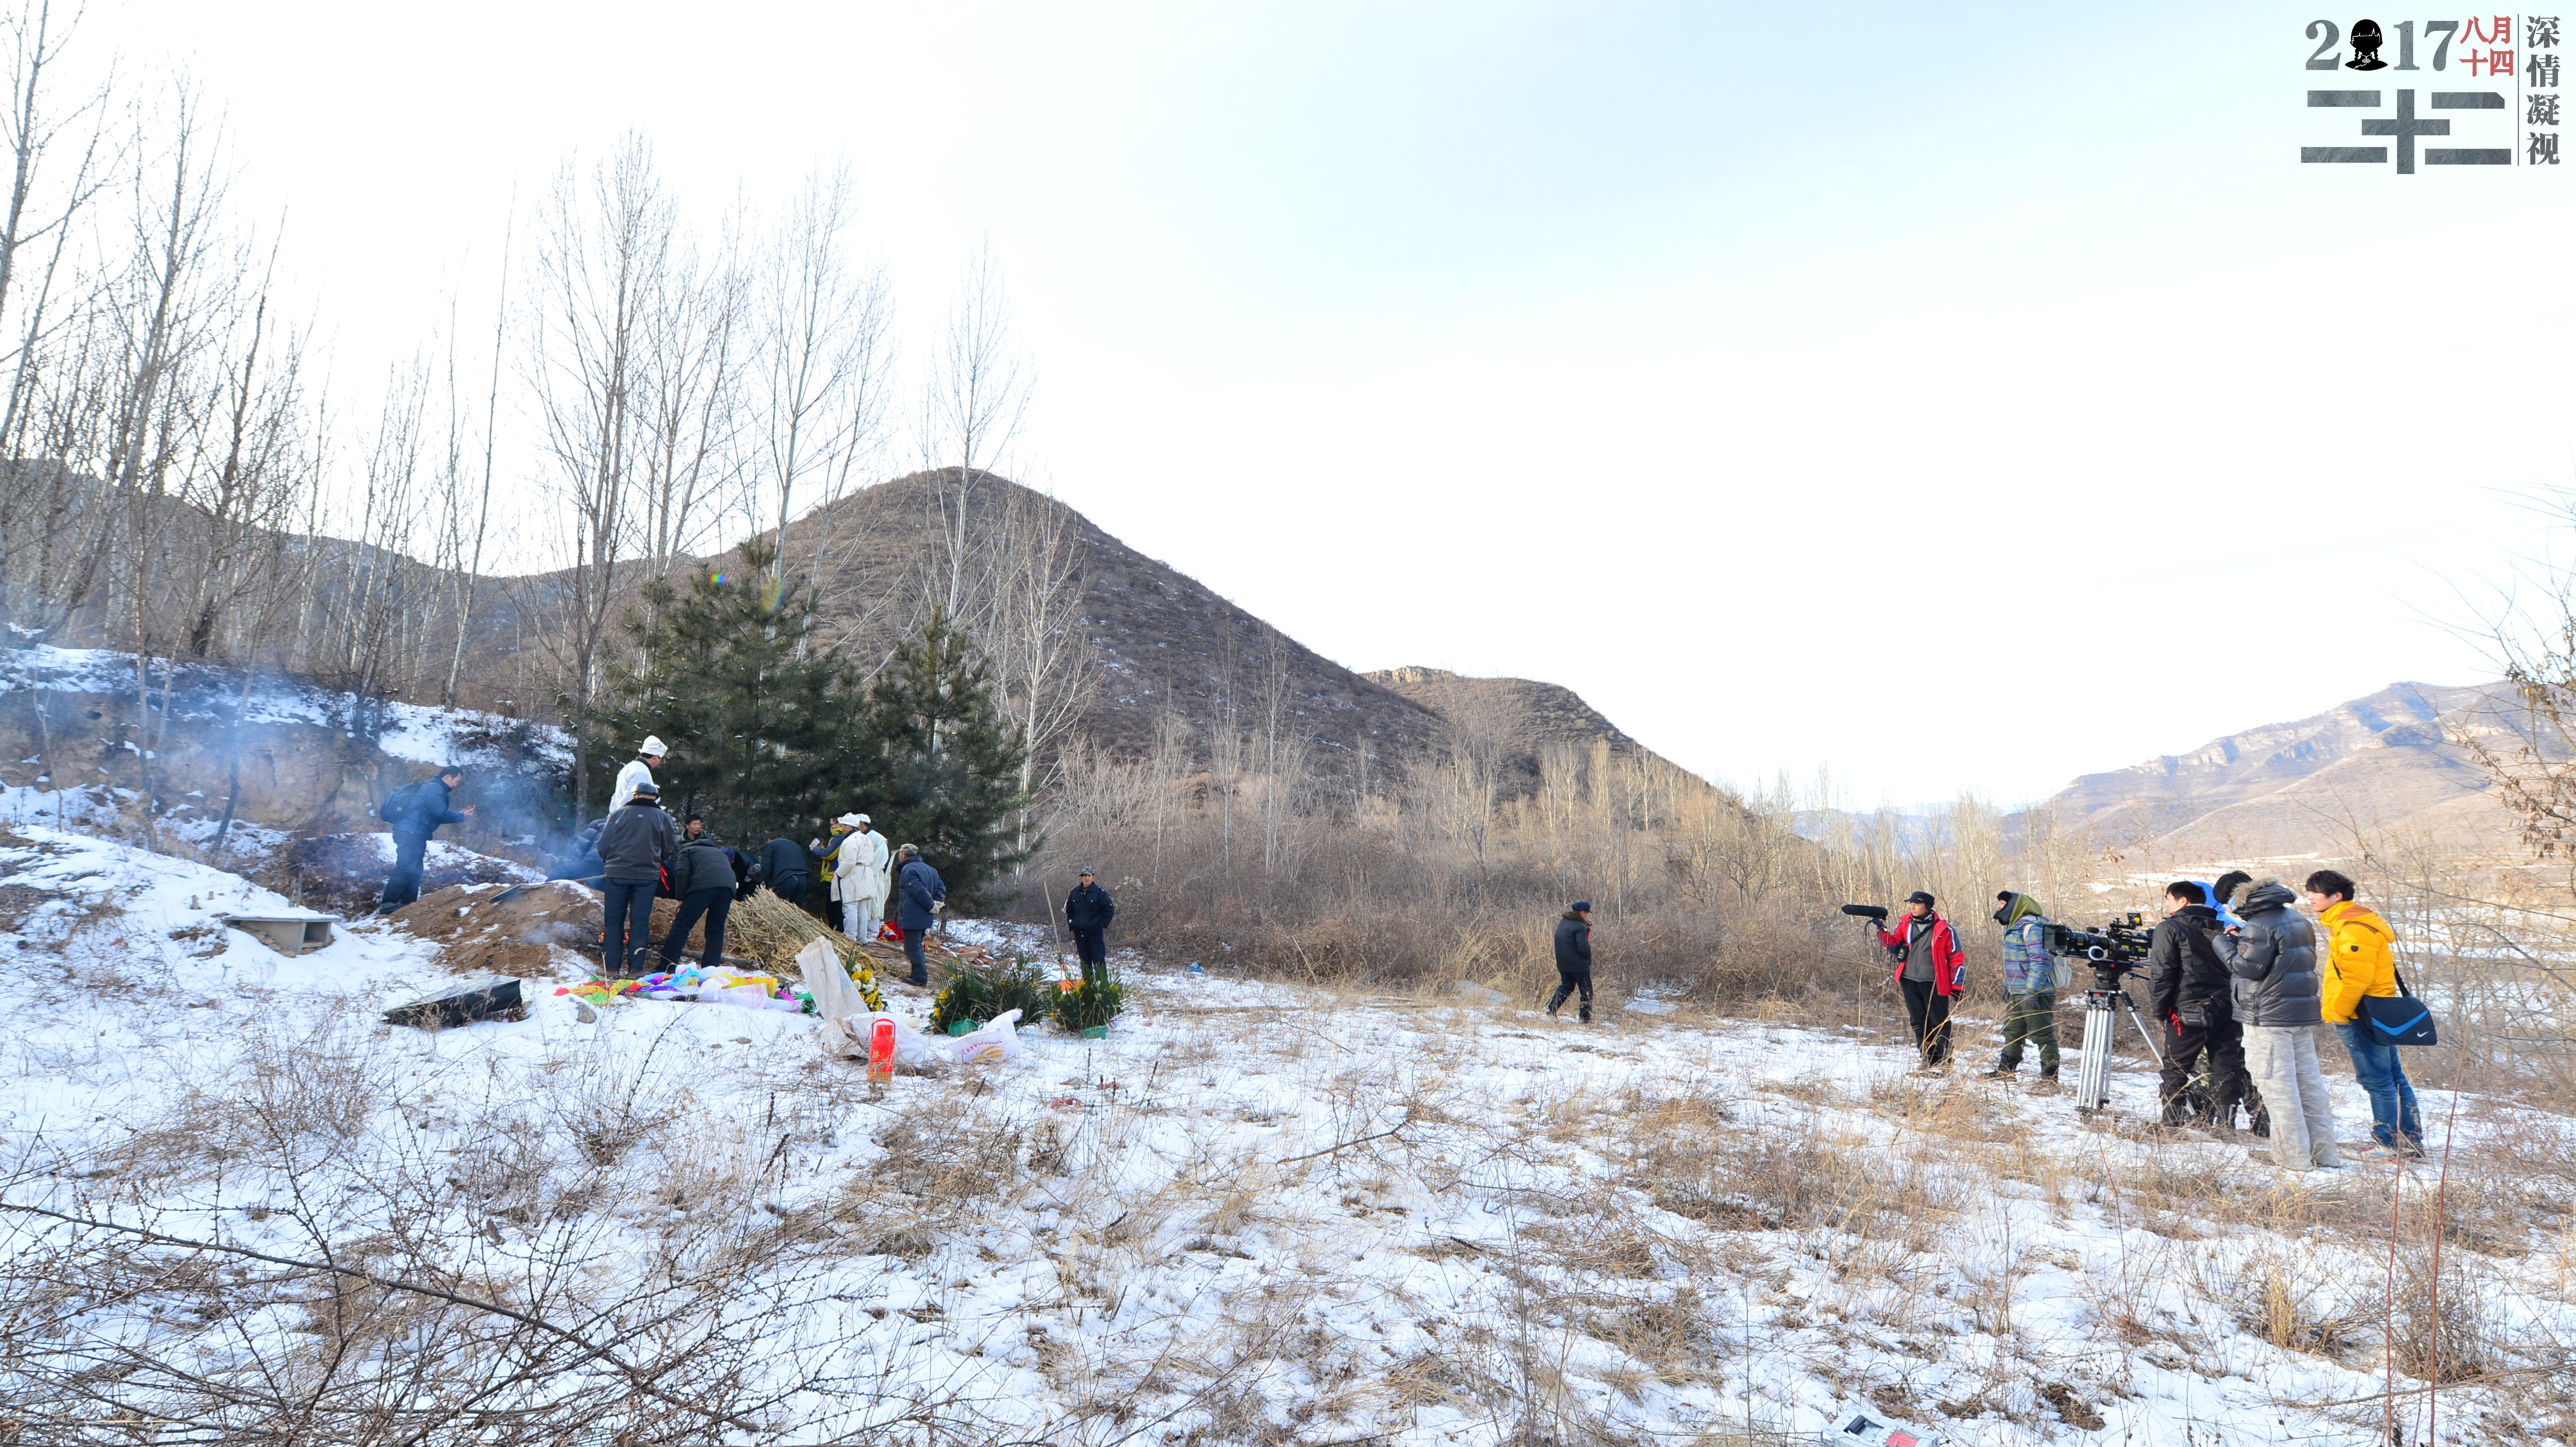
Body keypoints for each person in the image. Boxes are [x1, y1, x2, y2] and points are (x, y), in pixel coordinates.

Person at [2210, 877, 2340, 1172]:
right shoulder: (2295, 918)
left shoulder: (2258, 926)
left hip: (2267, 1019)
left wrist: (2224, 942)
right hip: (2297, 1015)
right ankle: (2324, 1154)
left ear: (2236, 899)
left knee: (2280, 1091)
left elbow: (2246, 969)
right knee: (2309, 1088)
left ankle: (2292, 1159)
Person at [2310, 869, 2425, 1158]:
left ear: (2336, 897)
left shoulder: (2352, 928)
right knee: (2393, 1078)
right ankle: (2409, 1143)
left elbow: (2355, 979)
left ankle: (2388, 1144)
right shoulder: (2354, 923)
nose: (2310, 897)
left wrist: (2339, 1012)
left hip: (2361, 1014)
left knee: (2379, 1081)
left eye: (2315, 892)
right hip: (2376, 1010)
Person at [2147, 880, 2248, 1130]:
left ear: (2182, 901)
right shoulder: (2222, 927)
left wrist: (2160, 1010)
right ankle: (2226, 1126)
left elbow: (2162, 973)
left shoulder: (2169, 928)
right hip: (2226, 1007)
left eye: (2169, 899)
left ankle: (2171, 1124)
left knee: (2176, 1068)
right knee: (2226, 1067)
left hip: (2188, 1010)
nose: (2168, 904)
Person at [594, 782, 677, 978]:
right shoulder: (663, 818)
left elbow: (603, 846)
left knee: (613, 922)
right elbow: (668, 848)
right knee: (640, 923)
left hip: (617, 874)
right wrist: (654, 861)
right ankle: (636, 970)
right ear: (655, 798)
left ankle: (611, 969)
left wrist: (614, 862)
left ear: (634, 796)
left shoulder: (617, 815)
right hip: (646, 877)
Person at [1878, 890, 1965, 1069]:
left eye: (1916, 904)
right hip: (1909, 980)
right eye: (1911, 904)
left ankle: (1944, 1063)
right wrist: (1881, 929)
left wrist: (1957, 984)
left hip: (1935, 982)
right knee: (1918, 1021)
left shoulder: (1944, 929)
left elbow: (1956, 957)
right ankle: (1928, 1061)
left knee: (1938, 1021)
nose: (1912, 907)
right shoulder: (1905, 925)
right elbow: (1893, 946)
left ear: (1927, 906)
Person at [1982, 891, 2059, 1083]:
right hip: (2017, 991)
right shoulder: (2012, 927)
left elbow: (2040, 960)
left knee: (2042, 1034)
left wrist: (2033, 991)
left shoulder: (2031, 927)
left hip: (2036, 992)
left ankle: (2050, 1079)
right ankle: (2006, 1072)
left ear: (2015, 906)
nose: (1999, 907)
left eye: (2002, 903)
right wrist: (2007, 986)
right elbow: (2013, 961)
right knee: (2013, 1031)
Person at [375, 766, 475, 914]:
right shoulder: (434, 789)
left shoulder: (434, 788)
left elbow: (435, 816)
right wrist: (463, 816)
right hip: (410, 832)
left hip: (414, 832)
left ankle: (408, 904)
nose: (457, 785)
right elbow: (440, 813)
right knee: (406, 867)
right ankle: (388, 904)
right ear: (448, 777)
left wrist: (459, 815)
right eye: (457, 781)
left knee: (415, 869)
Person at [658, 816, 738, 971]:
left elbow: (682, 874)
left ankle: (666, 967)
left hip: (704, 887)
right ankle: (710, 969)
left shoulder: (686, 851)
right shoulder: (718, 852)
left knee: (681, 926)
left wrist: (681, 898)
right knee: (716, 930)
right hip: (728, 888)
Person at [893, 843, 946, 987]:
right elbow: (941, 888)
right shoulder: (931, 870)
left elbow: (919, 892)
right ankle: (916, 974)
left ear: (903, 856)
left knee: (912, 947)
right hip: (925, 916)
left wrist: (931, 905)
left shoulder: (908, 870)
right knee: (917, 945)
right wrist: (937, 904)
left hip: (913, 915)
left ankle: (920, 978)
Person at [834, 813, 891, 943]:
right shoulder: (866, 839)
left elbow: (849, 861)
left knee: (851, 907)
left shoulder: (851, 840)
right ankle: (862, 938)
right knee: (862, 907)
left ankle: (851, 937)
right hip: (866, 874)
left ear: (849, 827)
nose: (841, 828)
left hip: (855, 875)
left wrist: (839, 873)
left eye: (843, 826)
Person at [1548, 901, 1594, 1023]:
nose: (1587, 916)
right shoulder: (1580, 927)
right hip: (1579, 965)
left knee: (1567, 986)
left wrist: (1586, 930)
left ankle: (1551, 1009)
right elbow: (1583, 947)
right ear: (1582, 913)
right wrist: (1588, 958)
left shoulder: (1564, 922)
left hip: (1563, 963)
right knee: (1587, 991)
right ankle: (1585, 1020)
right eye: (1587, 914)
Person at [1065, 869, 1116, 972]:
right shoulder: (1075, 893)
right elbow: (1069, 911)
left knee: (1099, 960)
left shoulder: (1100, 893)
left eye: (1089, 876)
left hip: (1094, 933)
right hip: (1079, 933)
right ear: (1081, 877)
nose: (1087, 878)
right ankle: (1087, 985)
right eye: (1084, 876)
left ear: (1094, 878)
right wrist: (1073, 924)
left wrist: (1100, 925)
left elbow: (1109, 910)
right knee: (1084, 961)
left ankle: (1101, 986)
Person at [610, 736, 669, 811]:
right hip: (632, 817)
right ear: (655, 757)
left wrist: (614, 814)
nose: (659, 762)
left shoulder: (630, 767)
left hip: (623, 815)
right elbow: (631, 798)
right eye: (660, 758)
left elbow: (616, 797)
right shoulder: (640, 772)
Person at [759, 828, 810, 906]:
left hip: (786, 879)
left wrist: (764, 886)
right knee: (797, 912)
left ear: (768, 839)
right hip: (804, 879)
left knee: (781, 909)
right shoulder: (796, 845)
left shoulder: (770, 845)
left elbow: (766, 867)